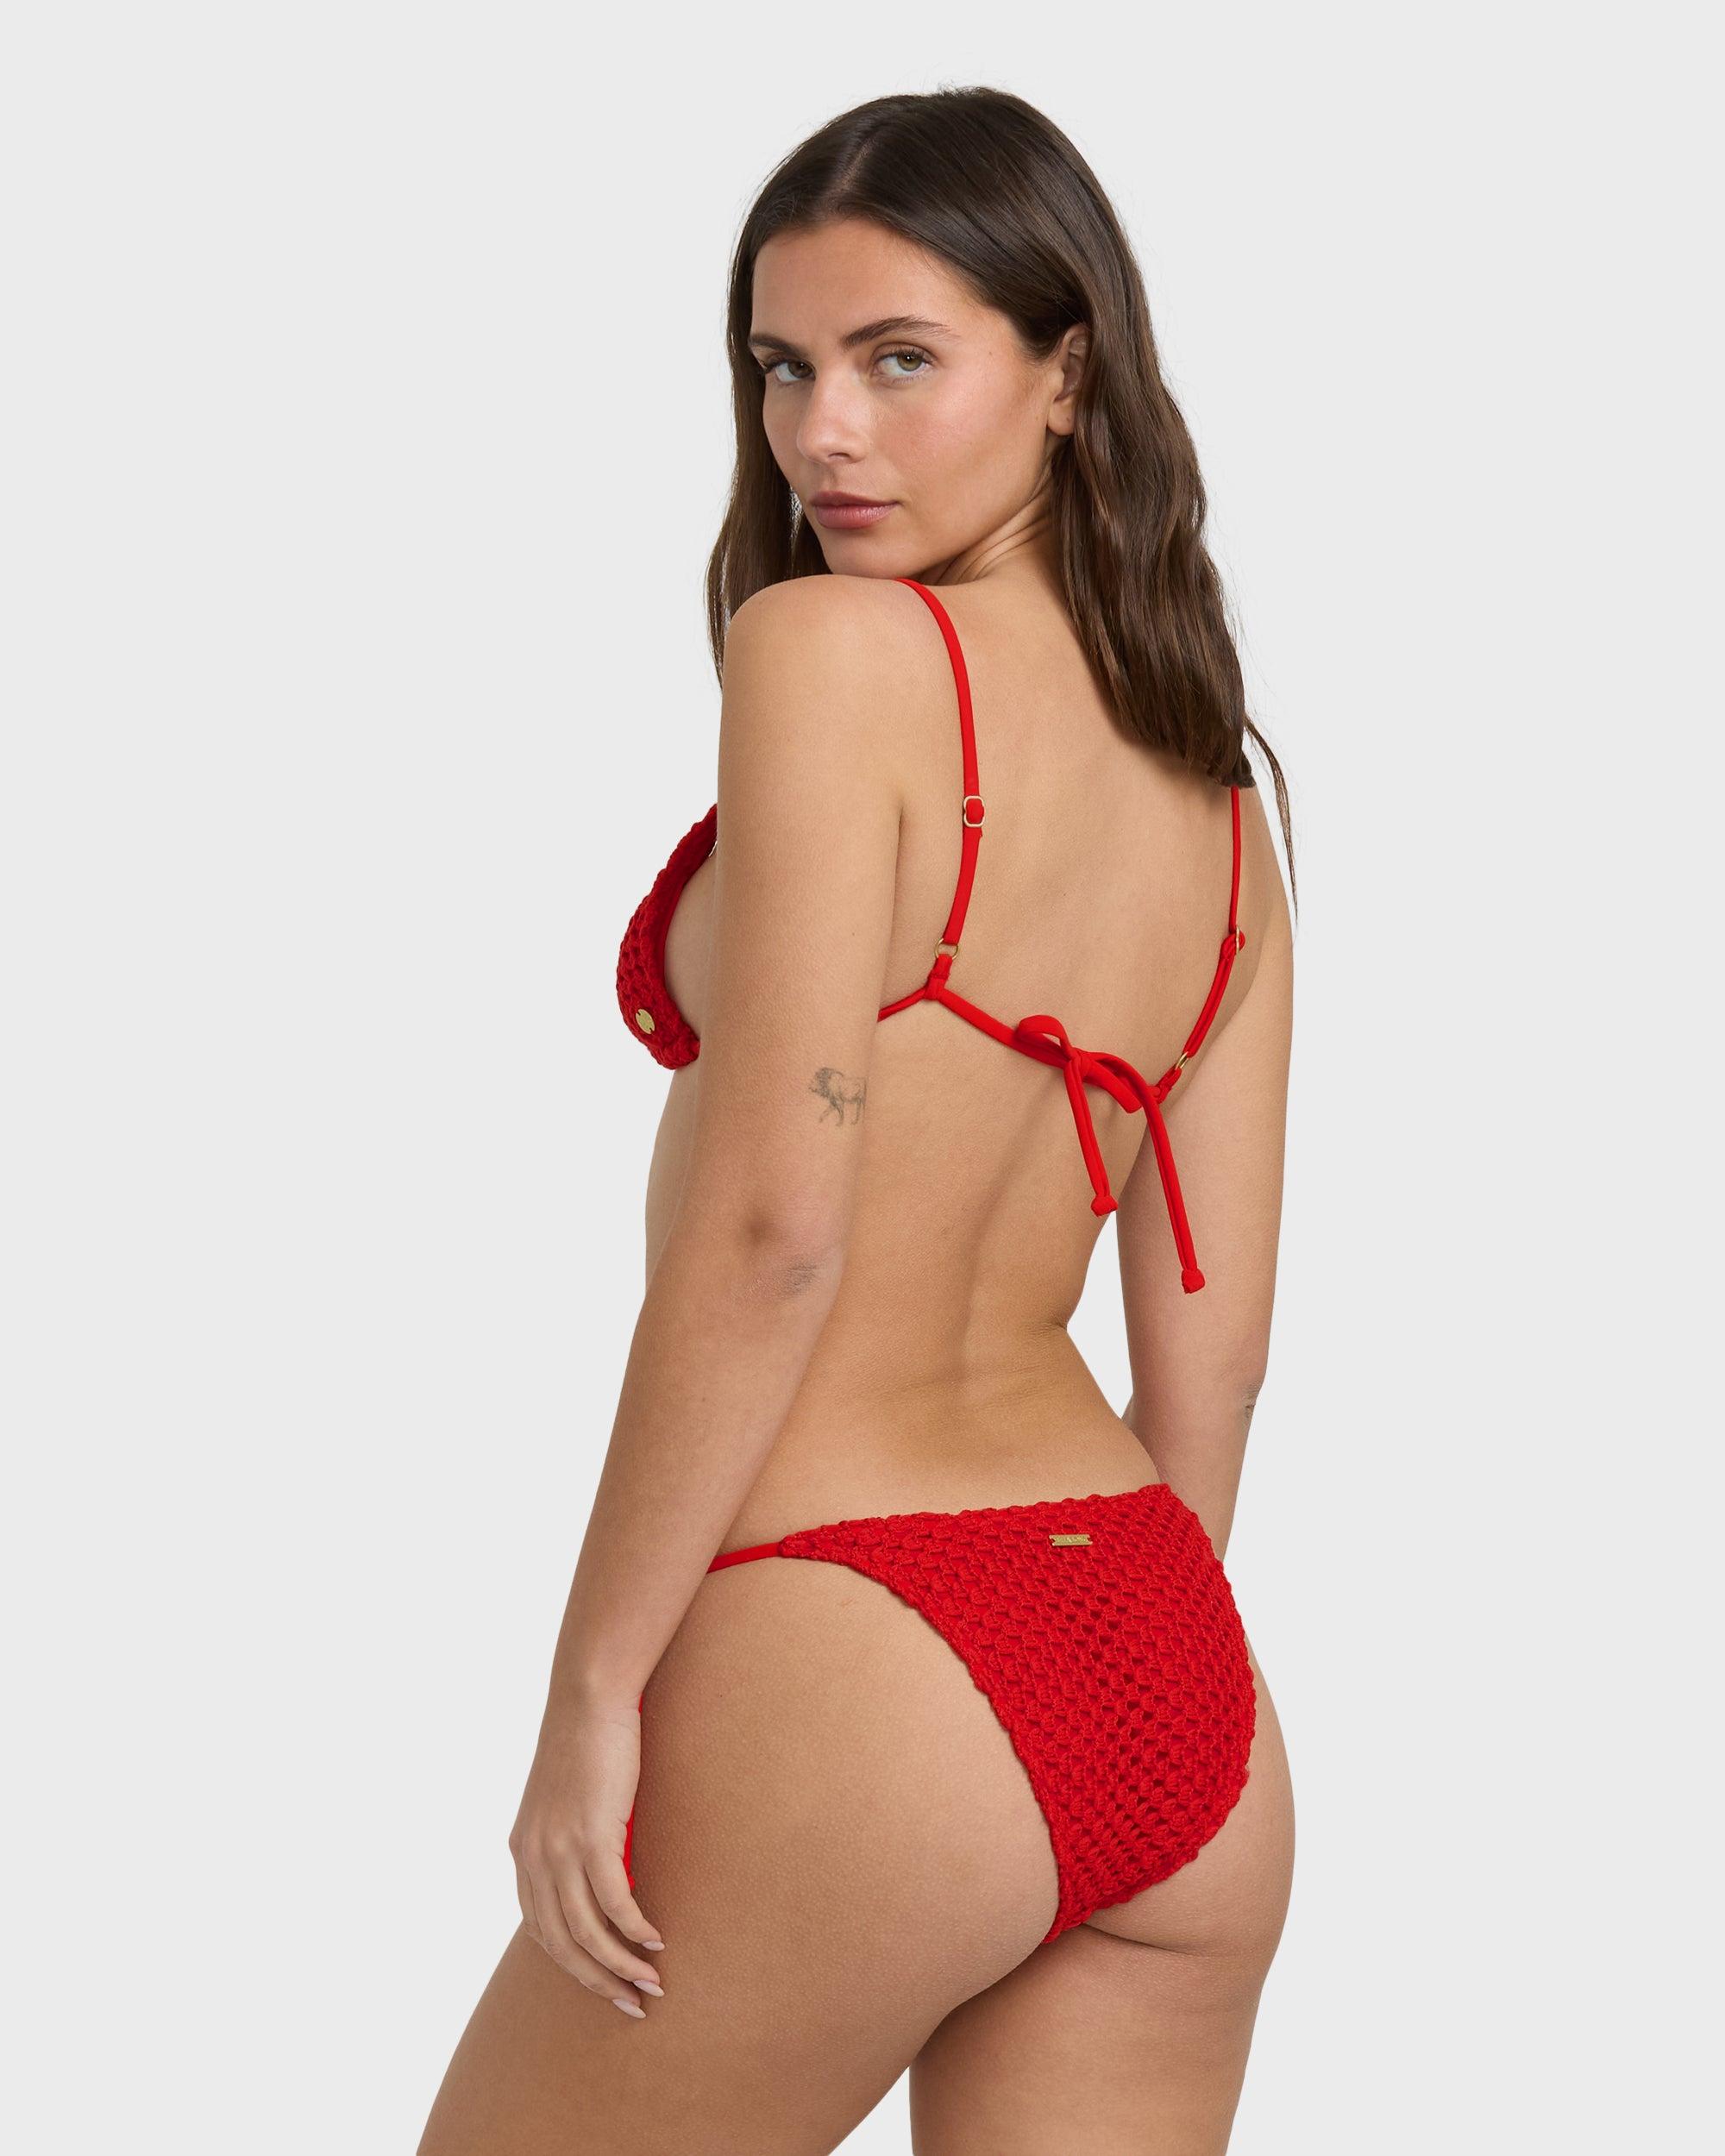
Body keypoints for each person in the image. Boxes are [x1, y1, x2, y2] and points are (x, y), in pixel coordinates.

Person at [418, 85, 1298, 2156]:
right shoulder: (1221, 809)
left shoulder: (829, 655)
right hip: (1168, 1671)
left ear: (1067, 371)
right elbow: (1219, 1352)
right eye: (783, 365)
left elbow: (774, 1234)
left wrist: (594, 1684)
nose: (823, 431)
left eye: (900, 360)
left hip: (854, 1627)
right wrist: (1104, 1699)